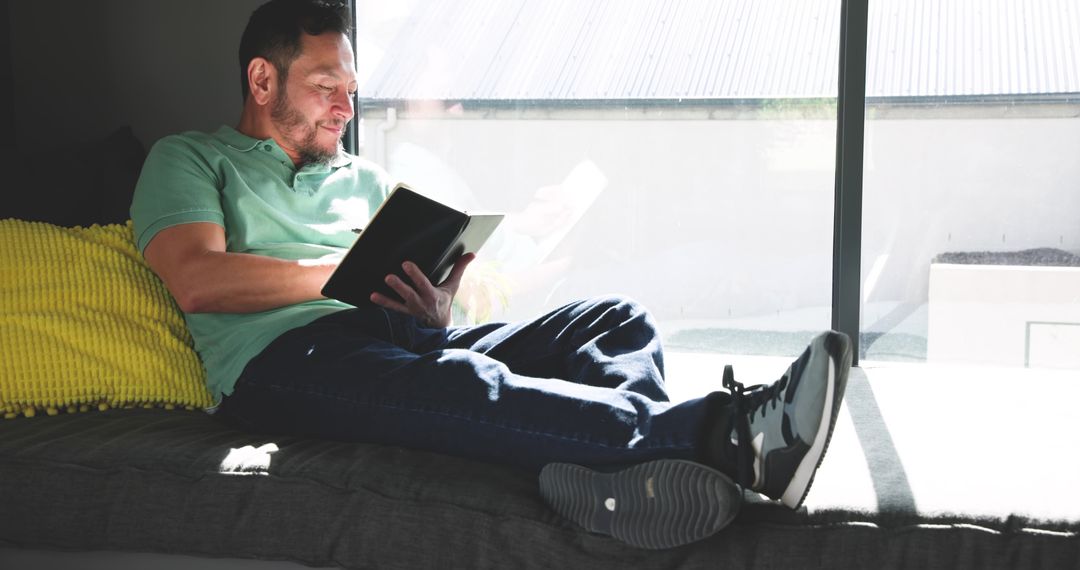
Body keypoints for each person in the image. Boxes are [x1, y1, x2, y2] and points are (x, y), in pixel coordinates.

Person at [131, 0, 852, 550]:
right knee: (459, 386)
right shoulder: (192, 158)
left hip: (396, 341)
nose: (346, 110)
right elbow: (198, 278)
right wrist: (338, 275)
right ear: (262, 79)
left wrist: (431, 307)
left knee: (613, 319)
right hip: (285, 361)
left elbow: (416, 306)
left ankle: (621, 489)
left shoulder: (364, 177)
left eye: (351, 90)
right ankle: (730, 437)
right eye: (327, 87)